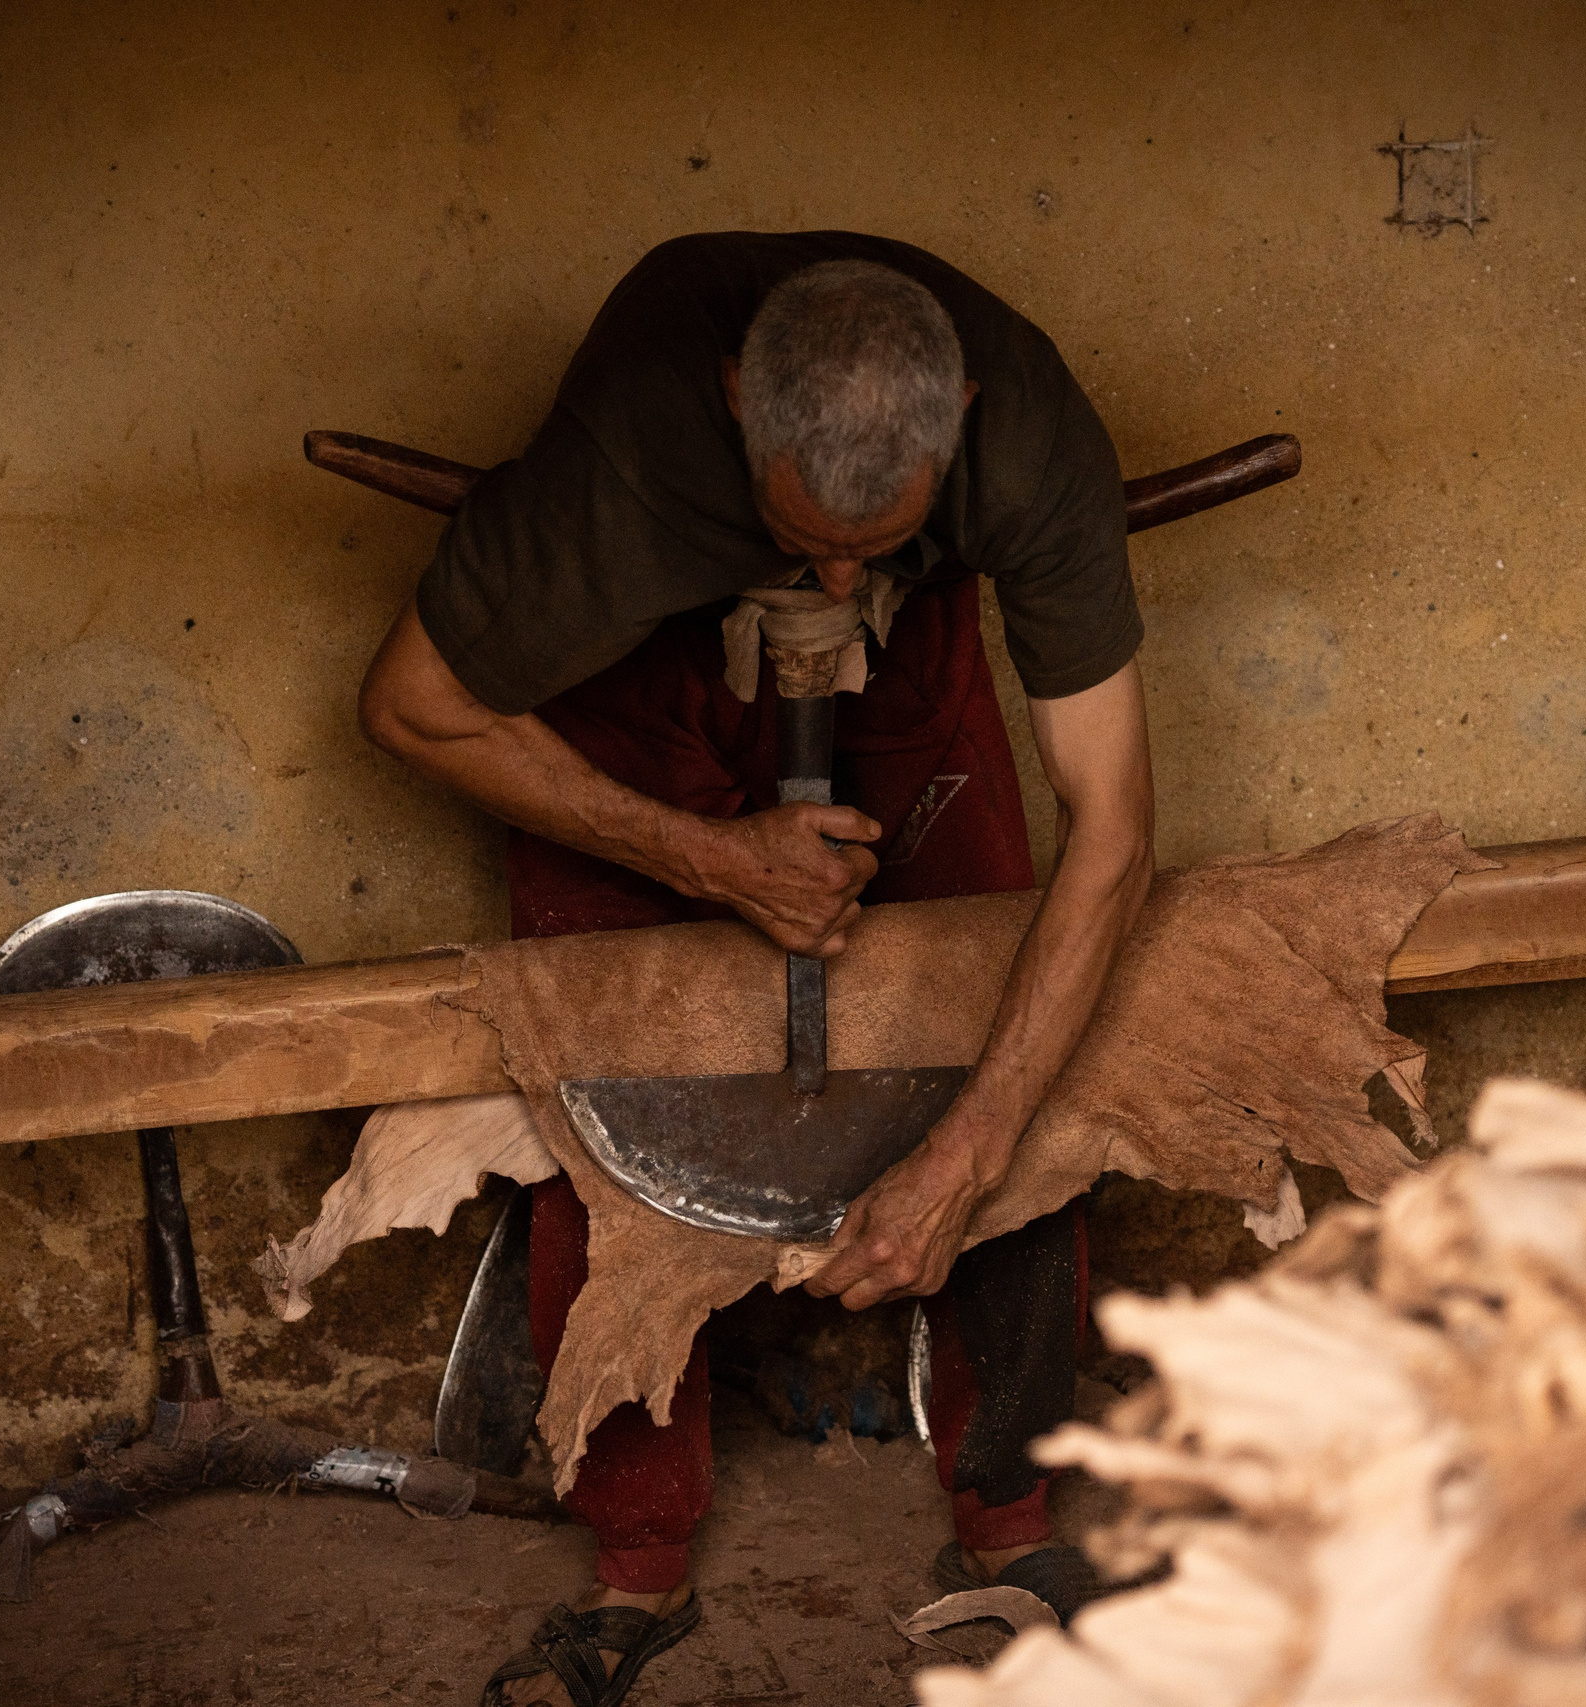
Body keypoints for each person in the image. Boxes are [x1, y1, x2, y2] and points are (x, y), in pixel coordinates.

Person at [358, 232, 1155, 1707]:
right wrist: (704, 860)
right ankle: (636, 1557)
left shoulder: (1033, 441)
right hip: (637, 674)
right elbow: (410, 707)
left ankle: (1010, 1521)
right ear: (734, 401)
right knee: (597, 1084)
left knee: (1022, 1030)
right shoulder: (628, 463)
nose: (838, 573)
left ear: (965, 413)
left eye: (877, 537)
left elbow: (1113, 833)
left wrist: (967, 1157)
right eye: (804, 534)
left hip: (918, 664)